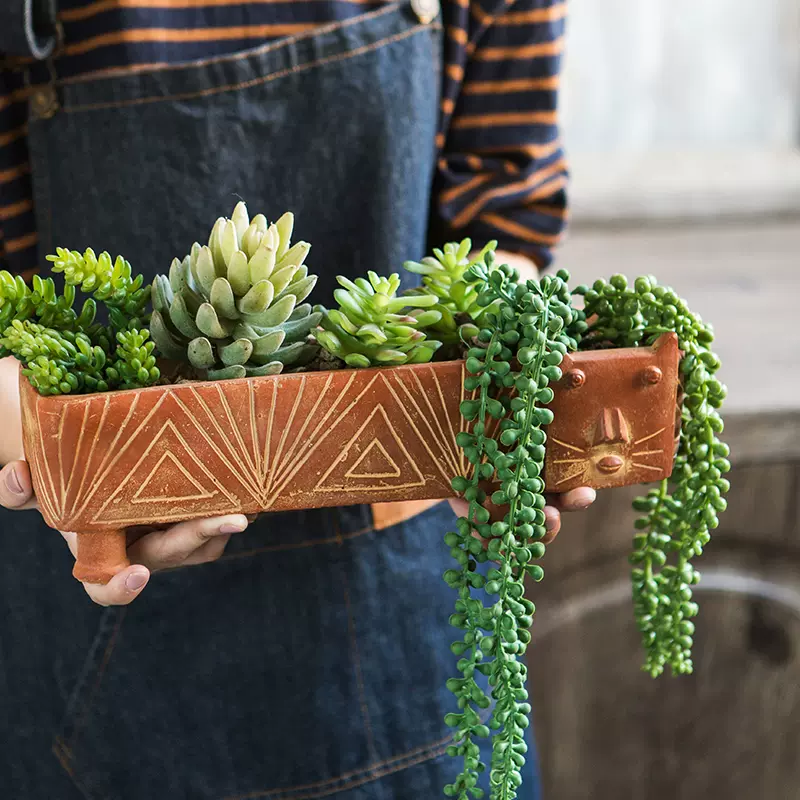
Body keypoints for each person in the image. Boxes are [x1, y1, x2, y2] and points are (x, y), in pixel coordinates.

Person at [0, 0, 594, 797]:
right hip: (96, 608)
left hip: (412, 594)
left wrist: (503, 382)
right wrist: (45, 438)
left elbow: (503, 224)